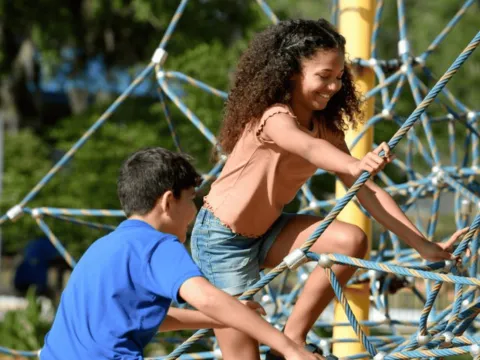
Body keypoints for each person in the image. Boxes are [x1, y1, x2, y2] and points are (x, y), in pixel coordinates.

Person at [190, 19, 467, 360]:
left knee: (350, 240)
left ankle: (292, 339)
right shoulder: (274, 116)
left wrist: (422, 245)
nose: (334, 85)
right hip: (221, 240)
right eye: (324, 76)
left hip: (266, 231)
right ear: (291, 73)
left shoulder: (325, 128)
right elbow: (306, 148)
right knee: (244, 356)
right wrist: (353, 165)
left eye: (339, 77)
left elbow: (368, 192)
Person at [40, 147, 322, 360]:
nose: (194, 212)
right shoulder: (157, 245)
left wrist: (219, 317)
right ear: (168, 201)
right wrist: (288, 347)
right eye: (191, 200)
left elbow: (149, 318)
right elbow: (207, 298)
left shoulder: (103, 247)